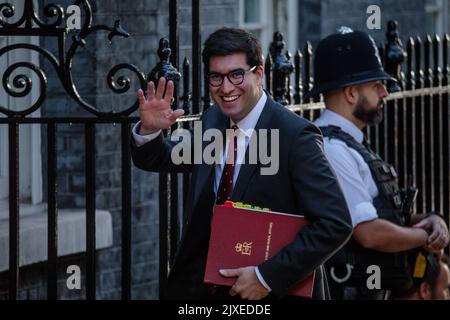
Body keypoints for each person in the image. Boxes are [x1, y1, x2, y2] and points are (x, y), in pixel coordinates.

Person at [131, 27, 353, 300]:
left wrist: (266, 277)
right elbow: (162, 157)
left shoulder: (295, 136)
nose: (225, 88)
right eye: (216, 77)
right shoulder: (213, 120)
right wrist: (150, 131)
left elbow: (335, 223)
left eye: (236, 74)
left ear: (258, 74)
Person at [309, 28, 450, 300]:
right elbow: (369, 233)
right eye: (376, 85)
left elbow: (383, 217)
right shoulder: (333, 150)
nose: (385, 92)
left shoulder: (349, 143)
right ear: (351, 93)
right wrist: (426, 238)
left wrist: (430, 220)